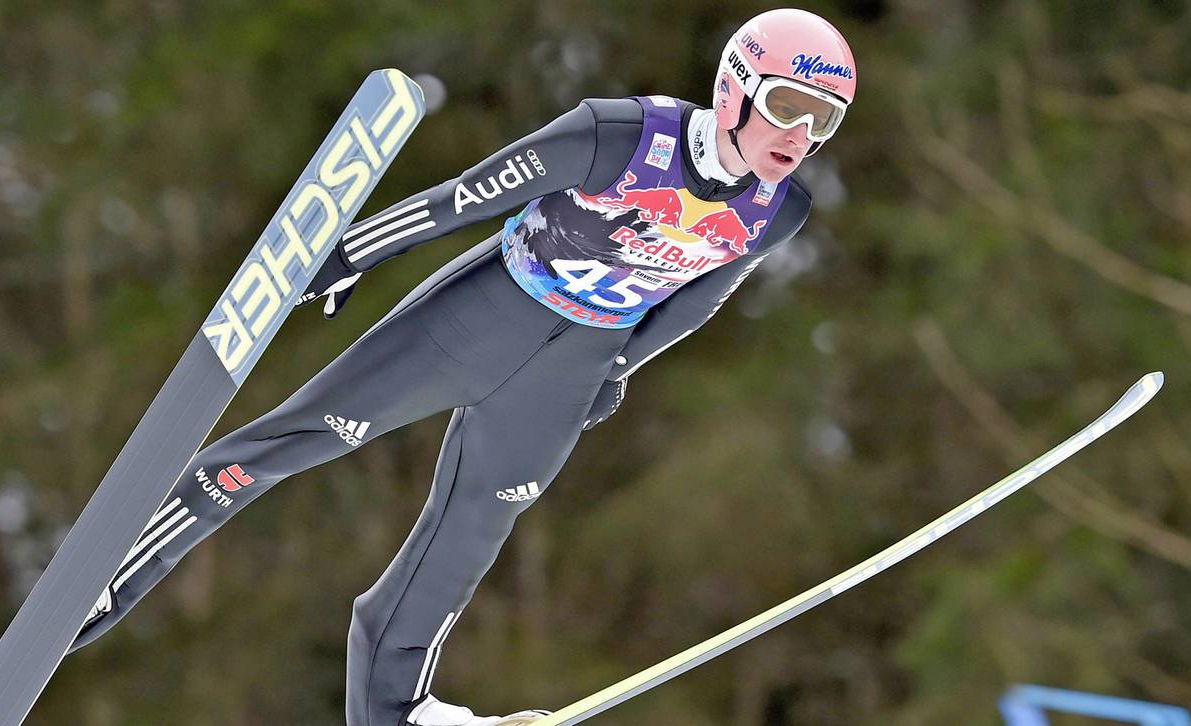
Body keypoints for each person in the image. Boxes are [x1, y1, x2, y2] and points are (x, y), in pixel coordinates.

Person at [69, 8, 857, 726]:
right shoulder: (616, 137)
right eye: (789, 106)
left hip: (569, 368)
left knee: (474, 527)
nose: (801, 134)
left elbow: (698, 300)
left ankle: (396, 711)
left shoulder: (777, 210)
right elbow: (465, 197)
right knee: (300, 437)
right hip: (483, 317)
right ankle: (111, 573)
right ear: (735, 91)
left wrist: (620, 366)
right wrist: (349, 252)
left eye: (824, 120)